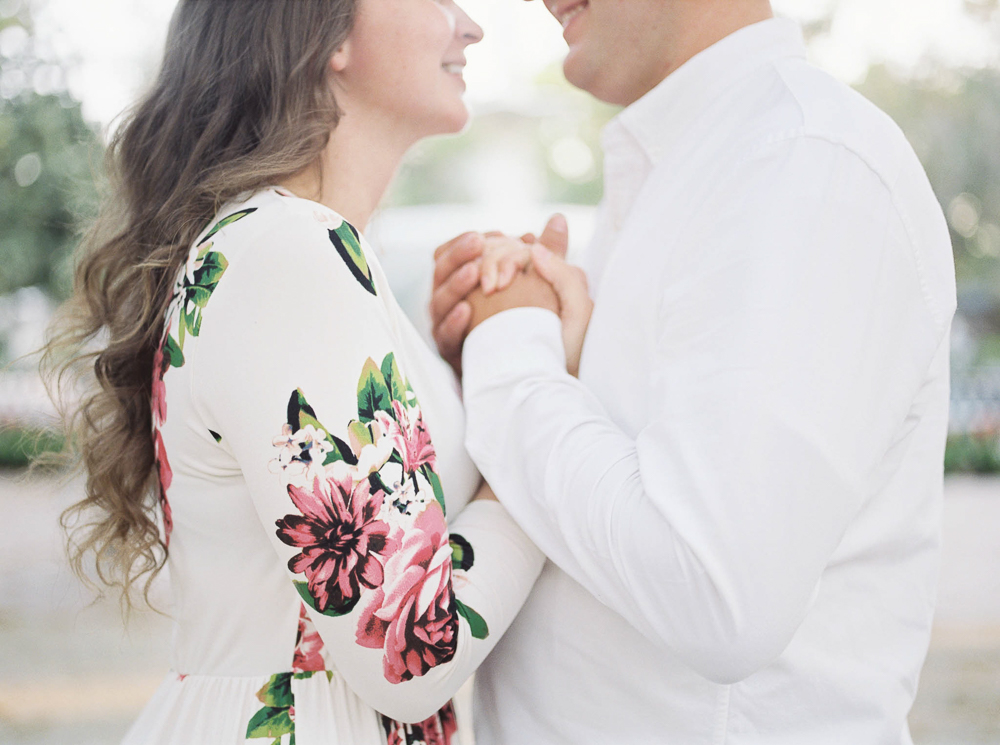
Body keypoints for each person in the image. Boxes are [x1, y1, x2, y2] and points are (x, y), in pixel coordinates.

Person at [431, 0, 958, 742]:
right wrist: (536, 362)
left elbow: (717, 593)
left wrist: (511, 350)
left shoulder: (803, 159)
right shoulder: (711, 166)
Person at [42, 1, 549, 743]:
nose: (468, 26)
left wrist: (467, 355)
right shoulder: (289, 253)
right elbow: (410, 651)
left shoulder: (299, 249)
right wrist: (534, 430)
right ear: (329, 30)